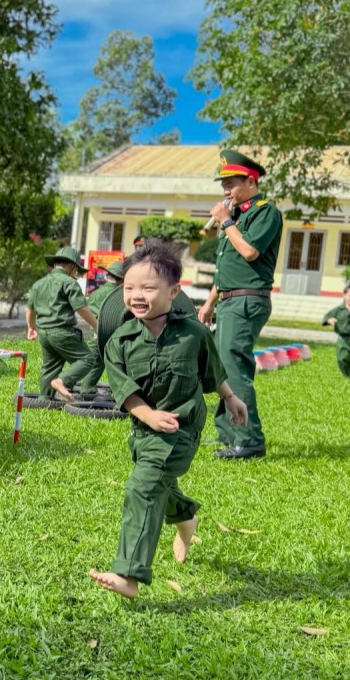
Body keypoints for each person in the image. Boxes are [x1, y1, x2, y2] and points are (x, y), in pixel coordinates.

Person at [89, 243, 248, 599]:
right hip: (144, 430)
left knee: (143, 487)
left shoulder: (194, 334)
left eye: (148, 288)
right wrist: (148, 415)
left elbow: (212, 372)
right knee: (157, 480)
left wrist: (230, 398)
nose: (136, 295)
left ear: (173, 291)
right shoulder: (119, 341)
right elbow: (124, 390)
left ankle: (128, 575)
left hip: (182, 429)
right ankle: (185, 517)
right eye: (129, 288)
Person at [198, 149, 283, 460]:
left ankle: (249, 440)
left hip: (248, 299)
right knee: (222, 368)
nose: (226, 191)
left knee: (235, 369)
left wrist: (225, 222)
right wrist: (209, 303)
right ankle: (229, 433)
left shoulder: (265, 212)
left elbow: (249, 252)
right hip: (229, 299)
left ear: (251, 181)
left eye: (231, 184)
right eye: (223, 185)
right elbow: (226, 268)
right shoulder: (235, 218)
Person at [25, 246, 95, 402]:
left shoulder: (39, 283)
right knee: (87, 359)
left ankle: (44, 399)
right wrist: (97, 326)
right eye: (77, 271)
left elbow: (30, 309)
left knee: (50, 366)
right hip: (63, 332)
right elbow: (82, 308)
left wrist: (31, 327)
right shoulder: (69, 283)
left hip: (44, 332)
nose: (77, 275)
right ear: (73, 266)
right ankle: (62, 381)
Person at [75, 260, 125, 398]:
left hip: (97, 335)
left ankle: (87, 388)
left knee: (96, 363)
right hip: (116, 336)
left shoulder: (96, 293)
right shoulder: (121, 295)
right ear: (122, 279)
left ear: (107, 275)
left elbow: (88, 313)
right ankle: (118, 392)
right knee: (118, 365)